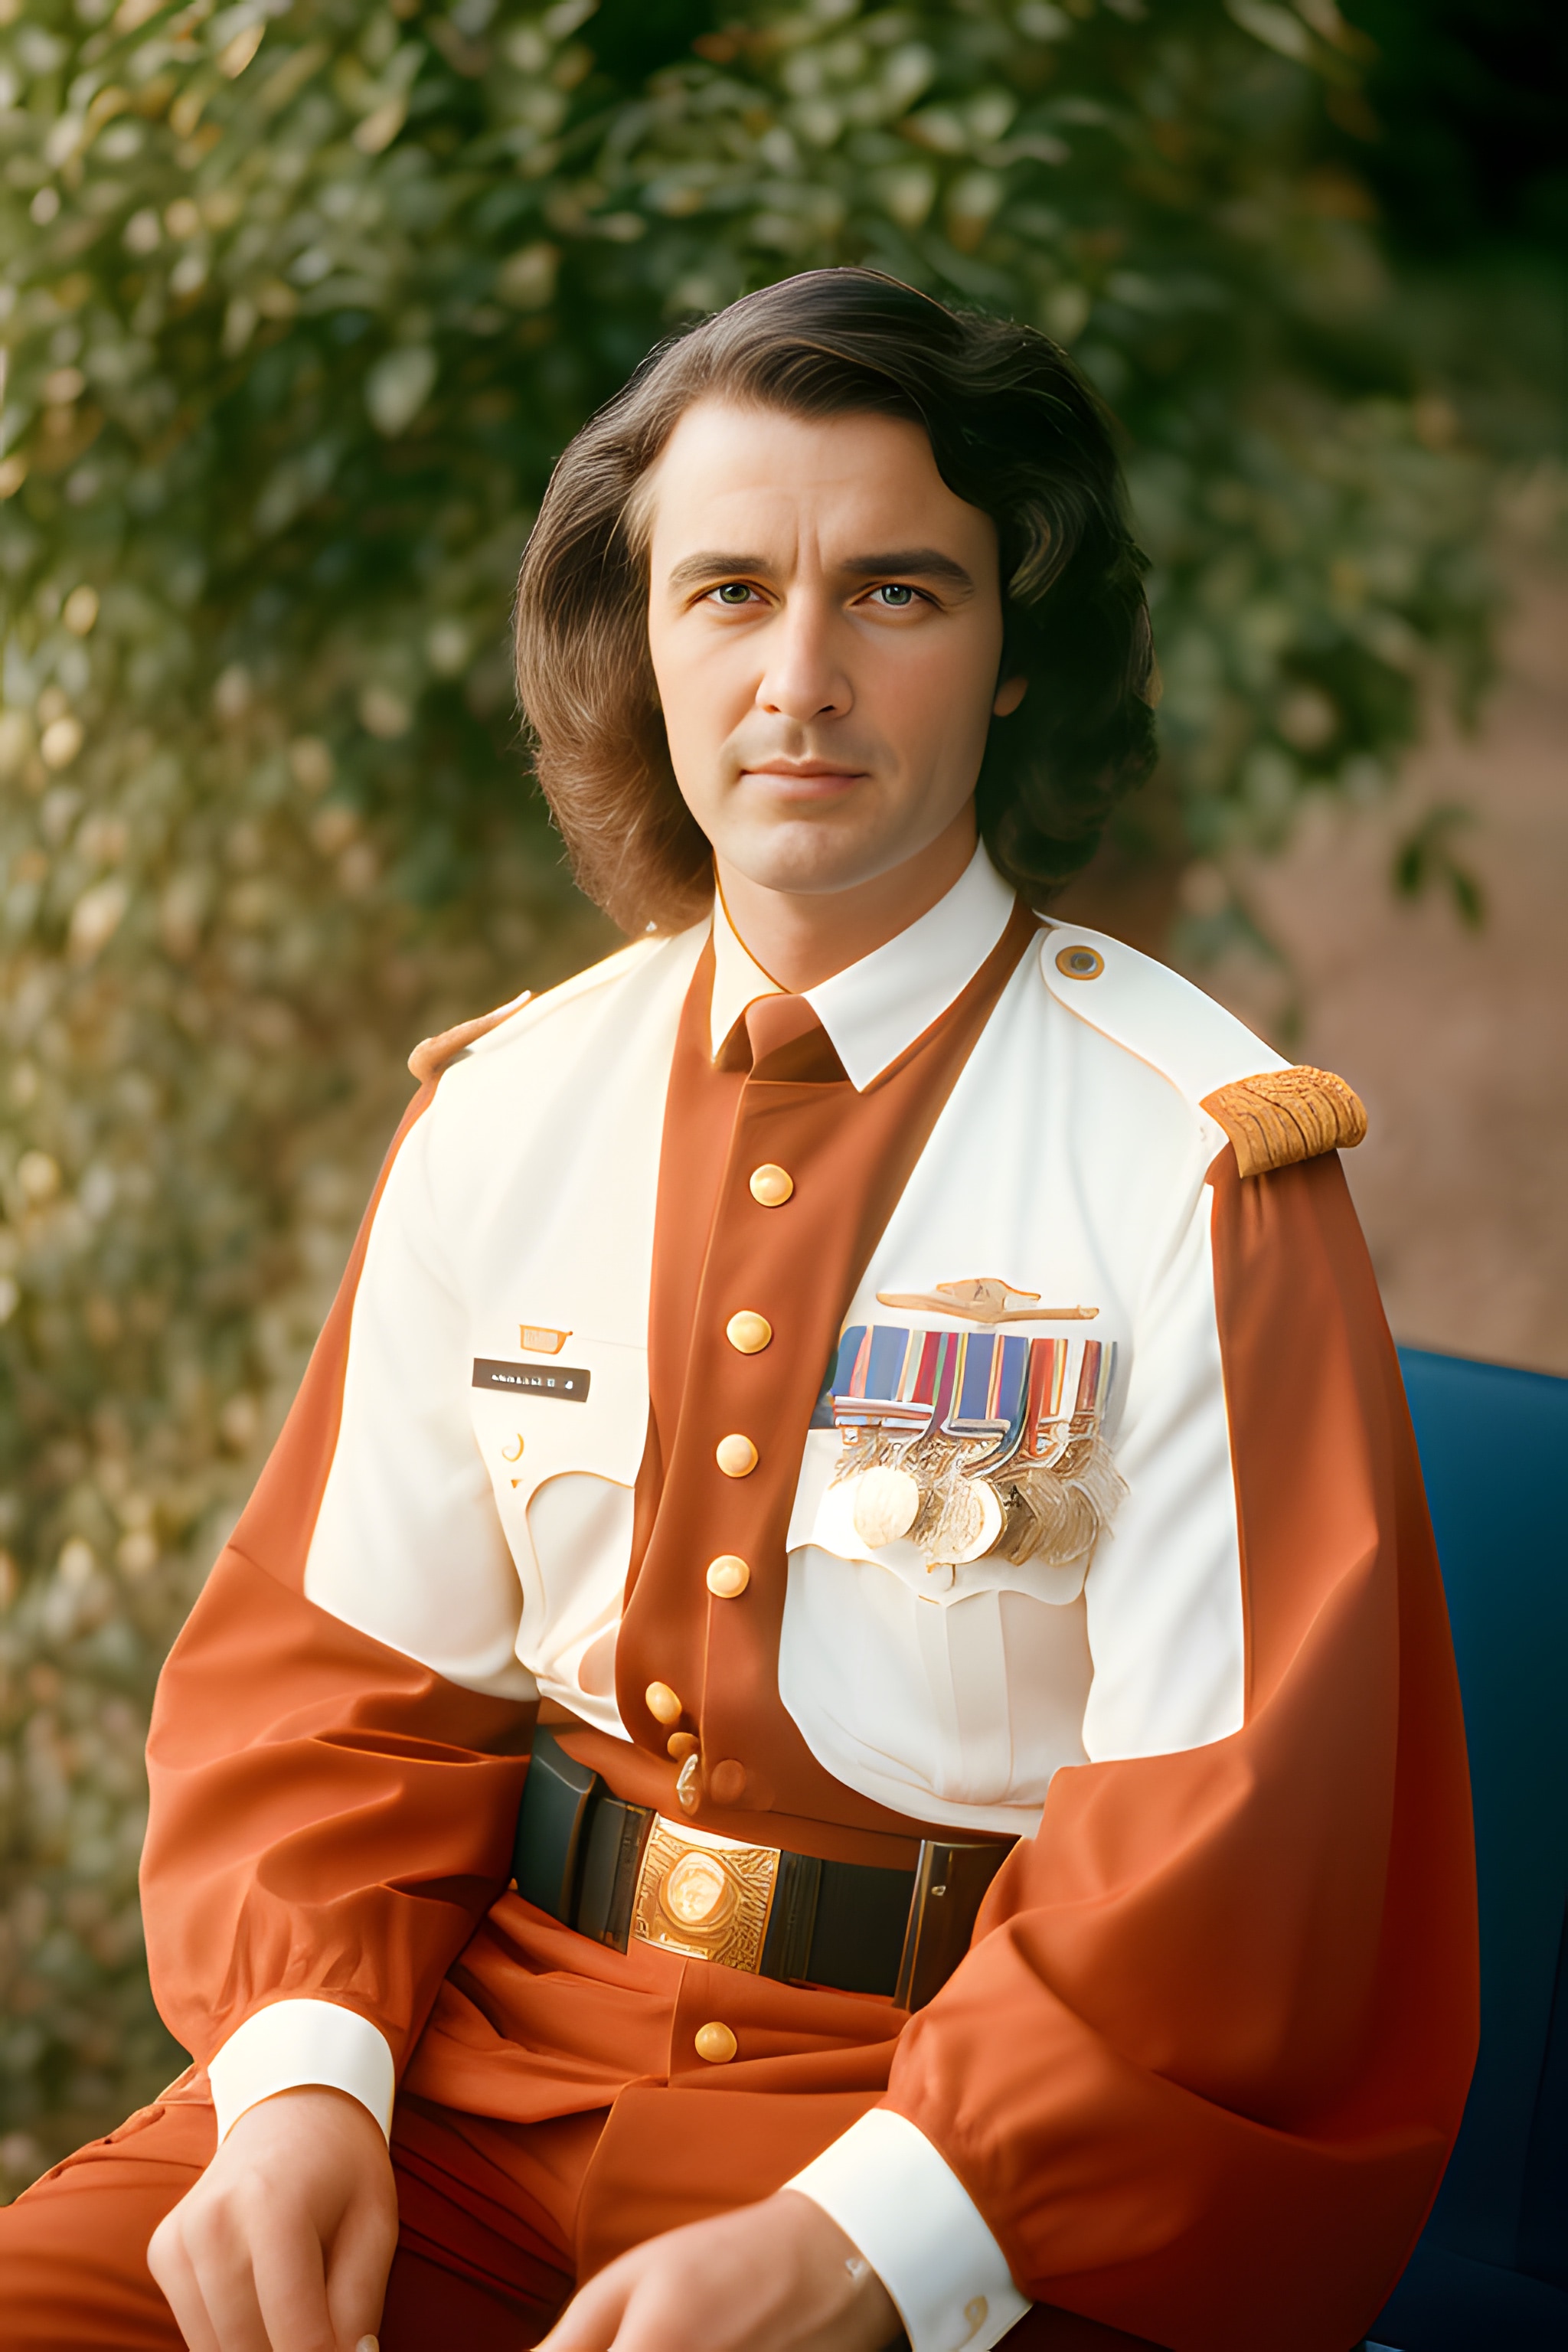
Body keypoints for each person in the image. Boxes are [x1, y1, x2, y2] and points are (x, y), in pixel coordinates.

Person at [0, 269, 1476, 2352]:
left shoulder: (1195, 1165)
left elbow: (1233, 1870)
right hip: (475, 2088)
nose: (799, 677)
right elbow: (333, 1694)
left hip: (978, 2142)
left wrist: (878, 2237)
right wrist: (299, 2089)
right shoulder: (504, 1110)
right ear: (640, 646)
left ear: (1015, 656)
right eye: (725, 594)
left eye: (893, 592)